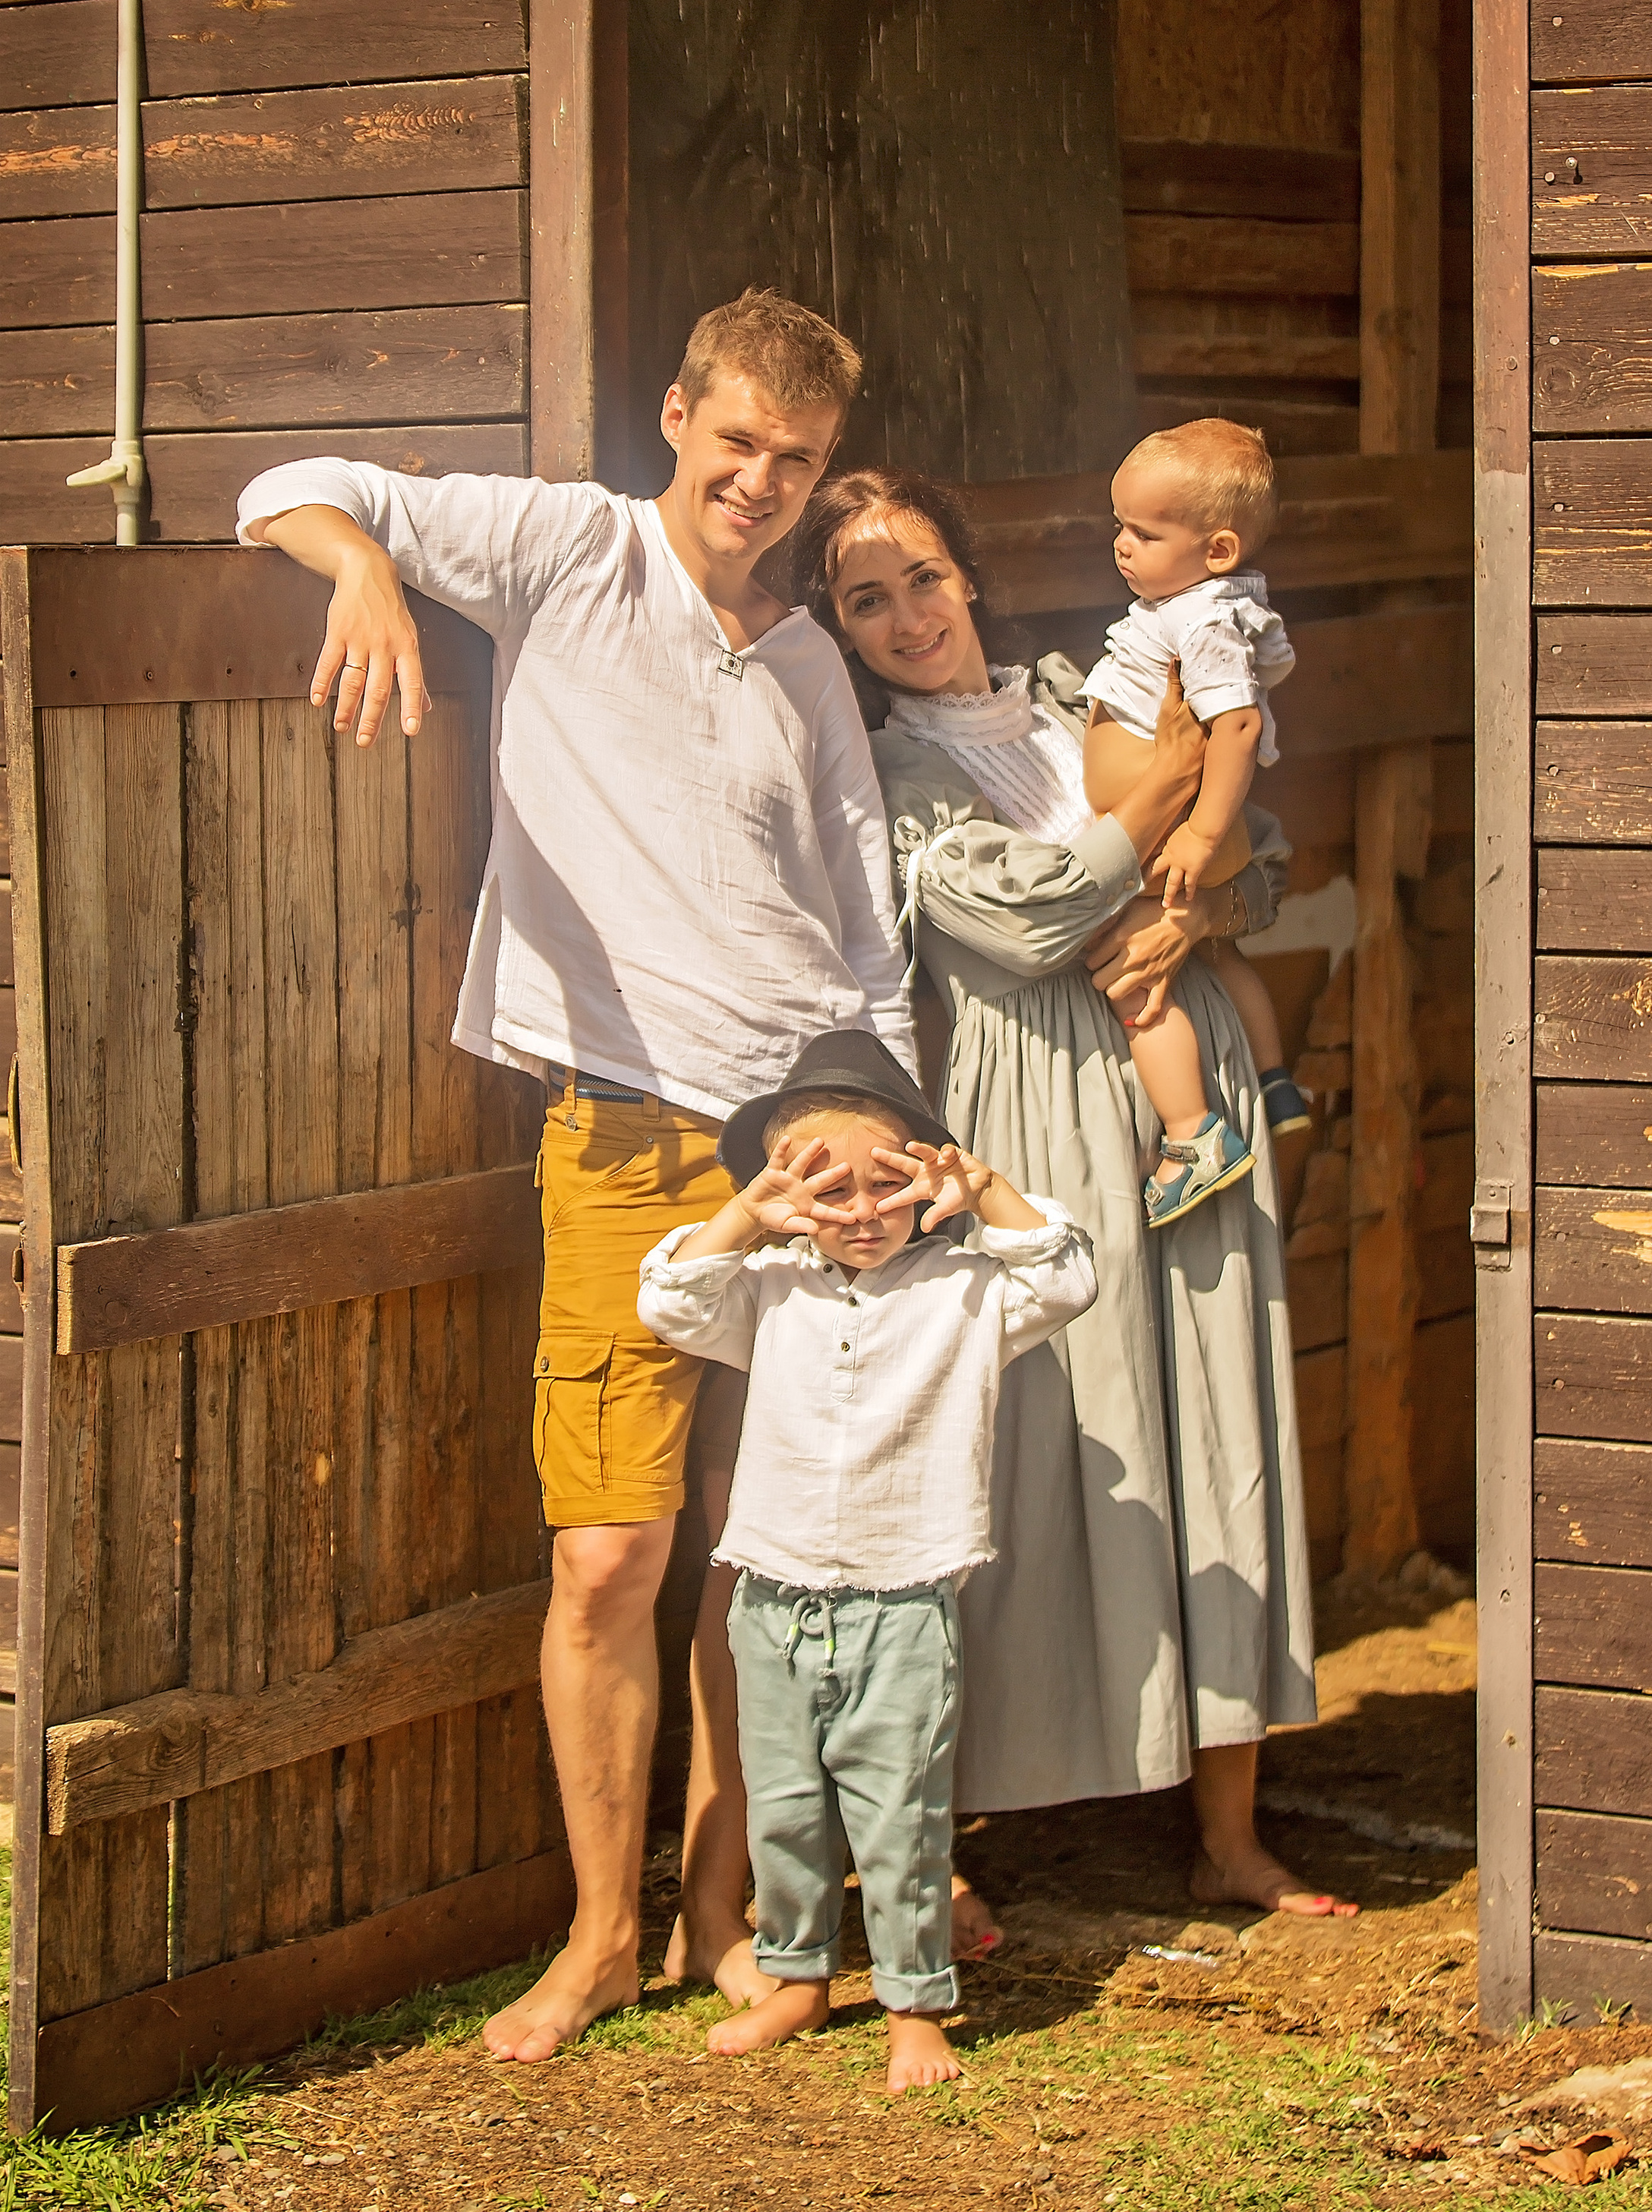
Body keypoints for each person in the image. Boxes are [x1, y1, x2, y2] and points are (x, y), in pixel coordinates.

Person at [233, 289, 918, 2063]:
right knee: (611, 1551)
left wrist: (883, 1129)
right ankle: (599, 1932)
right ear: (679, 414)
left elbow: (867, 927)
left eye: (799, 457)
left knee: (763, 1550)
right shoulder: (563, 547)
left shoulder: (809, 659)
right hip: (612, 1126)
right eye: (738, 438)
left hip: (797, 1127)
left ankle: (735, 1908)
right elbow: (286, 484)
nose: (760, 480)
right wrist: (364, 573)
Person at [791, 465, 1355, 1920]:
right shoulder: (889, 771)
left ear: (968, 575)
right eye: (866, 599)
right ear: (841, 630)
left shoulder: (1090, 685)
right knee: (1045, 1435)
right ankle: (955, 1830)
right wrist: (1164, 805)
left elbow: (1268, 853)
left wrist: (1200, 906)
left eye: (923, 576)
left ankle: (1230, 1829)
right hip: (1030, 1118)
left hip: (1187, 1100)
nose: (907, 614)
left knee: (1216, 1409)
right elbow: (1028, 919)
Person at [638, 1031, 1096, 2091]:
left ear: (928, 1174)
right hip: (772, 1595)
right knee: (787, 1804)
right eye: (825, 1189)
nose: (859, 1212)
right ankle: (799, 1977)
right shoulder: (767, 1287)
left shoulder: (972, 1292)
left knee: (902, 1811)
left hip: (905, 1599)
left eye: (885, 1185)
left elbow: (1068, 1276)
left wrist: (983, 1191)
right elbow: (668, 1302)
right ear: (784, 1192)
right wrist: (748, 1216)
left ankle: (913, 2002)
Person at [1080, 418, 1311, 1227]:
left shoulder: (1201, 622)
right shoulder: (1188, 607)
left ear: (1215, 550)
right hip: (1171, 828)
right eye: (1119, 524)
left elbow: (1236, 727)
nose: (1121, 544)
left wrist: (1202, 835)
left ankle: (1192, 1133)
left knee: (1135, 976)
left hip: (1177, 833)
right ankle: (1276, 1081)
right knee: (1213, 951)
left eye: (1144, 531)